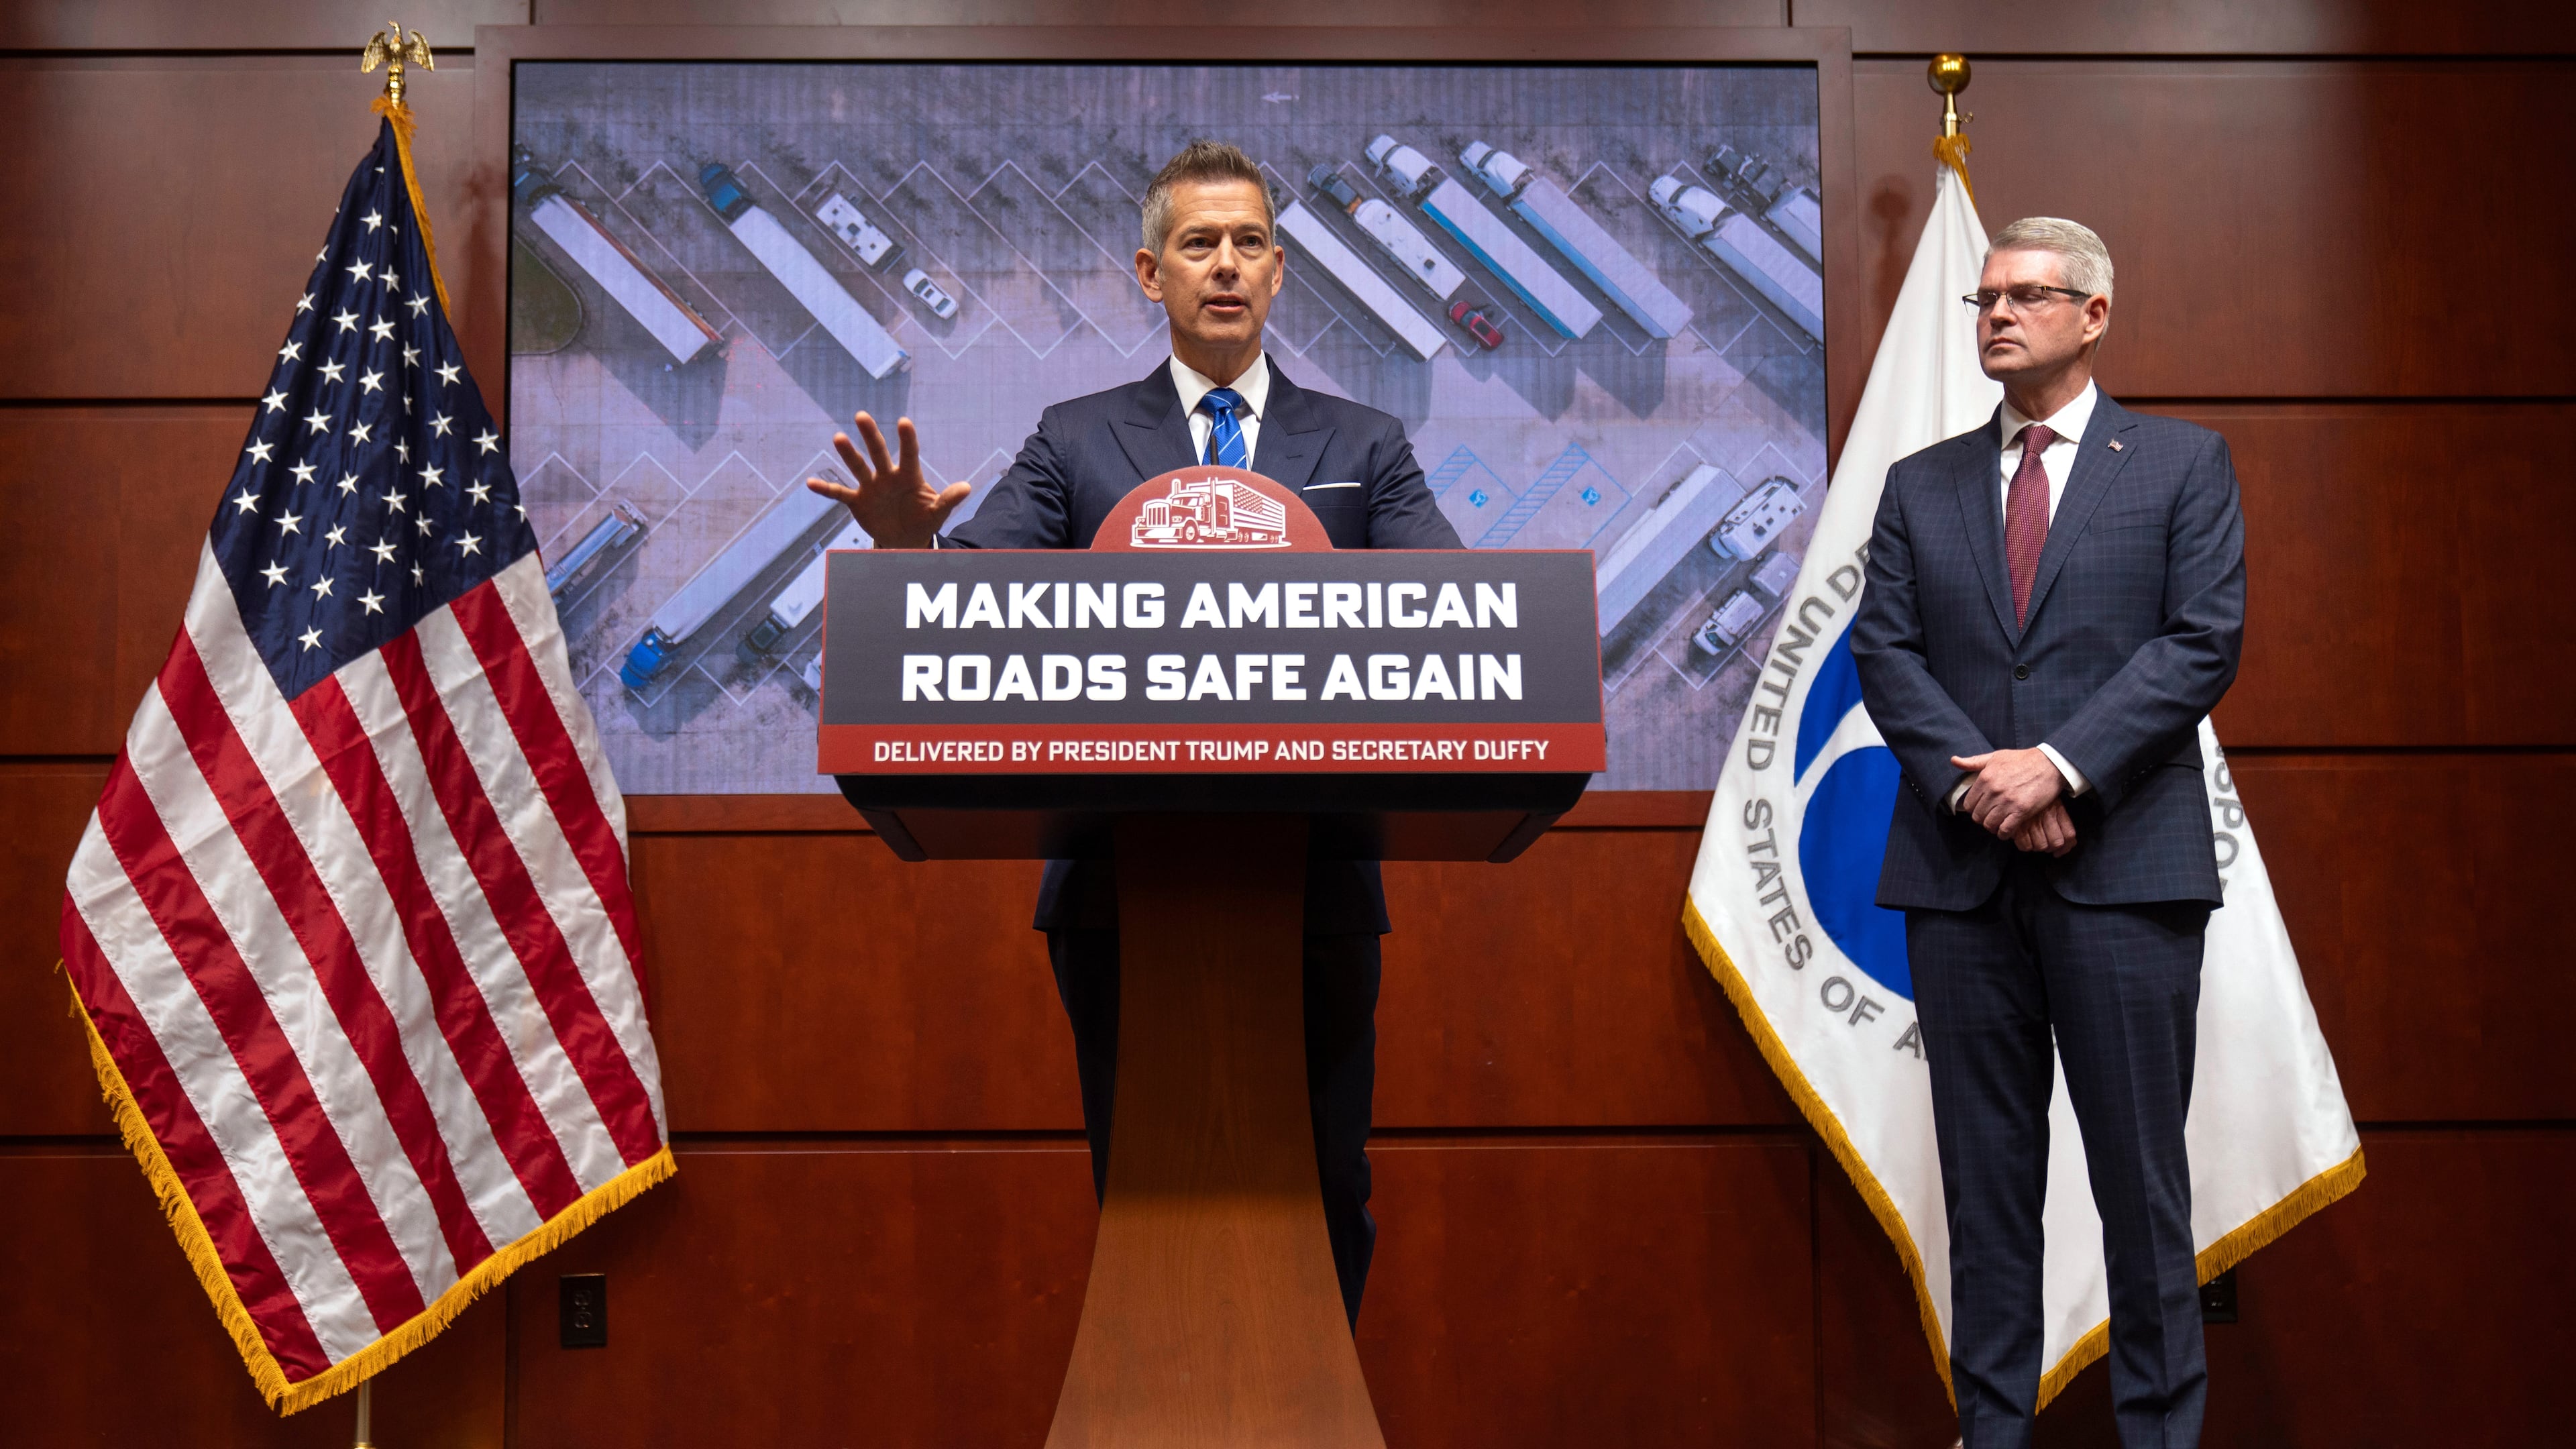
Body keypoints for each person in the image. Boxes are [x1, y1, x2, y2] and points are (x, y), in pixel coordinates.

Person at [806, 140, 1460, 1328]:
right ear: (1150, 275)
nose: (1228, 266)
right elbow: (971, 611)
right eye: (1200, 245)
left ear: (1280, 273)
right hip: (1120, 886)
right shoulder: (1077, 439)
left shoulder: (1363, 450)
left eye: (1250, 243)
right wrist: (905, 555)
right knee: (1148, 1191)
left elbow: (1460, 626)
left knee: (1329, 1189)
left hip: (1311, 889)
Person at [1849, 217, 2245, 1448]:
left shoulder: (2182, 464)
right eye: (1984, 299)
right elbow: (1886, 655)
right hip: (1964, 880)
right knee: (1987, 1192)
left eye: (2027, 296)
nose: (1998, 316)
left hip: (2128, 875)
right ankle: (1994, 1431)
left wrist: (2059, 767)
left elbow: (2201, 642)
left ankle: (2161, 1434)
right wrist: (1990, 790)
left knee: (2142, 1191)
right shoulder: (1921, 485)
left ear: (2096, 314)